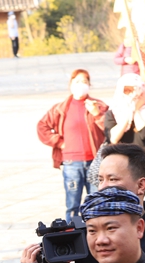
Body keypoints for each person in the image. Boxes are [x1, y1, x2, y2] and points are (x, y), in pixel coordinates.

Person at [36, 69, 108, 221]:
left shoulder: (98, 105)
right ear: (70, 84)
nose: (81, 85)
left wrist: (97, 114)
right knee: (72, 204)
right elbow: (42, 126)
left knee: (97, 203)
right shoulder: (61, 108)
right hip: (71, 163)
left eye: (84, 82)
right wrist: (59, 142)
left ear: (89, 85)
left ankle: (94, 235)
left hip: (96, 162)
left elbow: (110, 129)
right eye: (77, 82)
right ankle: (73, 237)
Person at [105, 73, 145, 155]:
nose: (133, 94)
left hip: (142, 162)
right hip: (119, 161)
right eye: (127, 90)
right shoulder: (114, 112)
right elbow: (113, 139)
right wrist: (130, 111)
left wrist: (136, 110)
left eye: (136, 89)